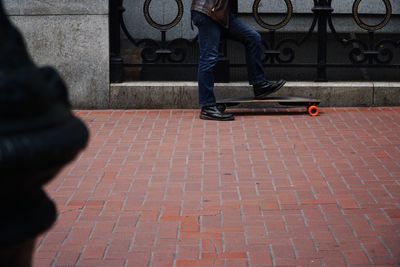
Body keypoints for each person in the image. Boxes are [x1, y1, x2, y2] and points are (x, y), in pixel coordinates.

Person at [191, 0, 286, 121]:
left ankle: (259, 84)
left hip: (222, 13)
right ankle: (207, 106)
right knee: (209, 58)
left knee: (252, 38)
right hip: (209, 11)